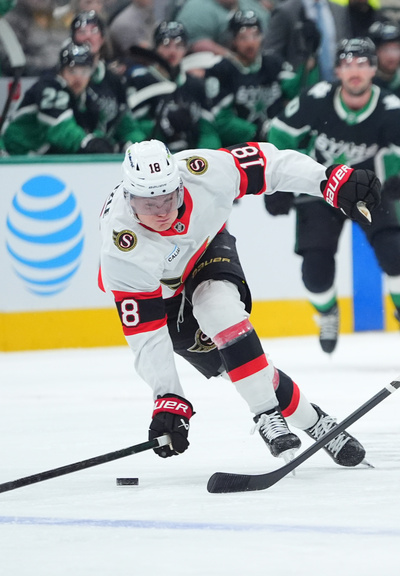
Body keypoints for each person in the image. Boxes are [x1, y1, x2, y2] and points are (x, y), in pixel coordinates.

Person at [98, 139, 381, 463]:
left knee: (217, 307)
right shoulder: (120, 250)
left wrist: (328, 181)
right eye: (149, 205)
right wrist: (168, 398)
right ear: (129, 198)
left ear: (180, 185)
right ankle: (317, 423)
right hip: (164, 296)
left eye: (168, 198)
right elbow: (147, 335)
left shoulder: (203, 172)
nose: (161, 212)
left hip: (207, 250)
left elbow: (270, 163)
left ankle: (266, 415)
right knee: (244, 370)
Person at [266, 37, 400, 357]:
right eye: (347, 64)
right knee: (315, 271)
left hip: (372, 192)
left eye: (362, 64)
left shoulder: (390, 109)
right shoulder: (315, 99)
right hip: (320, 190)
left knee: (396, 256)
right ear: (337, 70)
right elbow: (278, 136)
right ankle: (327, 314)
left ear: (373, 69)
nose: (355, 71)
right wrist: (277, 183)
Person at [1, 41, 116, 154]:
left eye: (84, 72)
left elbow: (94, 131)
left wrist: (110, 144)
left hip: (37, 158)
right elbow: (60, 130)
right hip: (10, 155)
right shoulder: (49, 87)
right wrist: (87, 142)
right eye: (72, 71)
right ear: (61, 71)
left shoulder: (86, 99)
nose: (78, 78)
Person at [205, 10, 300, 146]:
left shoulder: (274, 63)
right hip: (239, 146)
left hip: (275, 143)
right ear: (233, 40)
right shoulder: (221, 71)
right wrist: (257, 132)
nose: (250, 43)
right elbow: (221, 120)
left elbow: (297, 94)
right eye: (243, 37)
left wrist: (306, 61)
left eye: (255, 36)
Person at [125, 21, 220, 152]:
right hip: (155, 156)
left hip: (190, 156)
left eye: (179, 45)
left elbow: (208, 131)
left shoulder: (195, 84)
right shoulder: (141, 81)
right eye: (166, 45)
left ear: (186, 49)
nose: (172, 51)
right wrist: (160, 129)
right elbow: (132, 129)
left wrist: (202, 155)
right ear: (156, 48)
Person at [70, 10, 147, 149]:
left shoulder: (114, 80)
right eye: (82, 32)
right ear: (73, 38)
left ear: (102, 38)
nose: (88, 36)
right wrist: (90, 144)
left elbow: (126, 126)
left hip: (104, 154)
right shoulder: (61, 76)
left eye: (94, 31)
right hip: (68, 155)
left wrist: (142, 146)